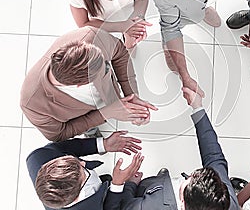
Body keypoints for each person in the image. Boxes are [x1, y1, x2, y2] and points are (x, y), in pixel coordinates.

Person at [119, 87, 239, 210]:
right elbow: (214, 156)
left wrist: (130, 184)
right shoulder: (228, 202)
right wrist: (197, 107)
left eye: (187, 180)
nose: (187, 176)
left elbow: (125, 208)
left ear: (182, 199)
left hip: (147, 195)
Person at [20, 26, 157, 142]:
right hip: (80, 117)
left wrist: (131, 94)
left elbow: (119, 53)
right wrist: (105, 114)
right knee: (88, 127)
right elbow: (60, 134)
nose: (108, 70)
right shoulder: (32, 105)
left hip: (106, 97)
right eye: (105, 70)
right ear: (81, 85)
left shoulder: (90, 38)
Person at [26, 131, 144, 210]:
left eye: (75, 162)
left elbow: (63, 148)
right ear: (77, 197)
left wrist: (103, 145)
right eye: (83, 171)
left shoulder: (39, 157)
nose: (83, 163)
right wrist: (118, 185)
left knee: (102, 182)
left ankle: (102, 187)